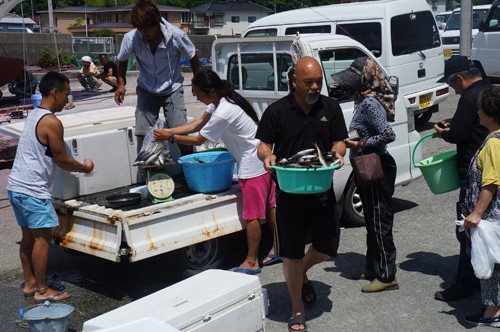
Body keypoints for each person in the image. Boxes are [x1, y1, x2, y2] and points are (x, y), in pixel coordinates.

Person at [153, 69, 278, 274]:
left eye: (198, 95)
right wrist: (168, 130)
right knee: (271, 206)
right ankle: (277, 248)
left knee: (252, 215)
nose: (197, 98)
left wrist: (170, 138)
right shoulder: (221, 101)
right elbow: (198, 124)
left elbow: (199, 139)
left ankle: (252, 260)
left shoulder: (224, 110)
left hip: (252, 164)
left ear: (211, 91)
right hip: (261, 158)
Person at [256, 56, 347, 332]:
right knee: (291, 252)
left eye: (318, 81)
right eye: (309, 82)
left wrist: (339, 154)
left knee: (328, 245)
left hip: (321, 190)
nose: (315, 86)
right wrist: (268, 156)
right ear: (294, 80)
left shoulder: (330, 107)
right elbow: (263, 145)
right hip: (289, 192)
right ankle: (297, 307)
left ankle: (302, 272)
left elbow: (339, 141)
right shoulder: (277, 111)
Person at [7, 72, 94, 302]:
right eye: (66, 93)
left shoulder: (34, 115)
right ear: (54, 92)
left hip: (16, 187)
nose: (68, 98)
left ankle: (30, 284)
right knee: (42, 239)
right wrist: (85, 168)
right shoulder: (52, 121)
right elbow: (61, 159)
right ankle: (43, 290)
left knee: (28, 236)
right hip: (33, 190)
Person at [332, 56, 398, 292]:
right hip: (368, 165)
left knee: (379, 221)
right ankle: (373, 267)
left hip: (376, 164)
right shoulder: (363, 100)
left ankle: (388, 275)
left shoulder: (370, 103)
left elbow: (389, 135)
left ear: (366, 80)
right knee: (371, 220)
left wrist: (359, 144)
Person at [433, 55, 492, 302]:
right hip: (491, 168)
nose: (454, 91)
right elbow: (471, 125)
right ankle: (484, 277)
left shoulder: (468, 98)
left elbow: (459, 134)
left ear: (459, 79)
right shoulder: (489, 89)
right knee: (489, 228)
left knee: (467, 227)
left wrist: (443, 132)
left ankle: (464, 283)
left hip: (475, 171)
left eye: (452, 85)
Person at [114, 0, 200, 154]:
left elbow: (193, 55)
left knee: (180, 132)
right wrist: (121, 84)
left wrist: (197, 81)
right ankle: (152, 172)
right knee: (143, 133)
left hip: (172, 88)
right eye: (140, 28)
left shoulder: (176, 35)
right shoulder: (131, 38)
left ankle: (189, 167)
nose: (143, 33)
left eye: (147, 28)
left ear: (156, 22)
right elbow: (121, 60)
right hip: (146, 89)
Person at [462, 86, 500, 327]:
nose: (477, 113)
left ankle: (493, 313)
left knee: (493, 263)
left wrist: (476, 213)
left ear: (490, 111)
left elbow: (492, 181)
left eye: (479, 109)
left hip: (492, 216)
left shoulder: (494, 143)